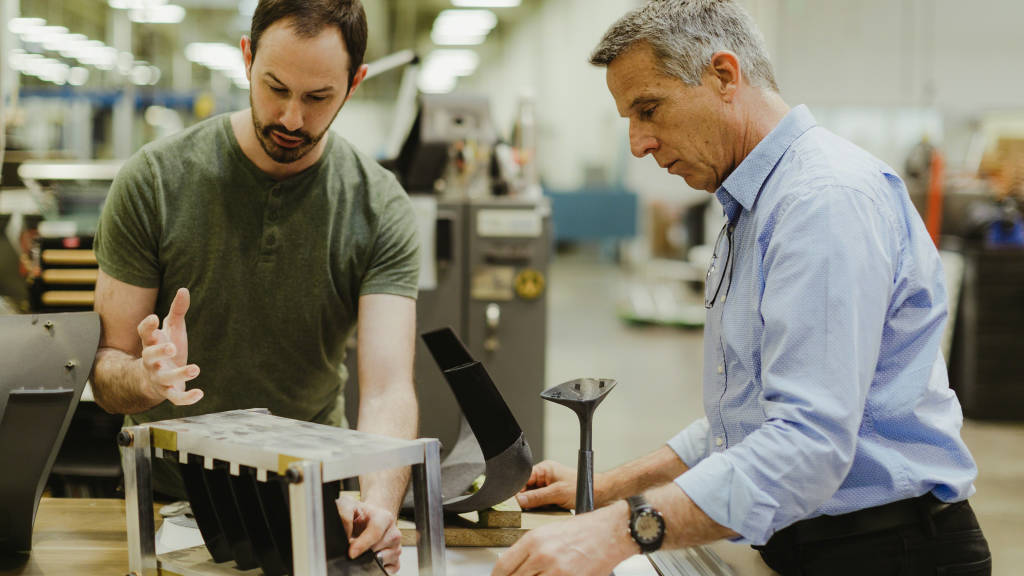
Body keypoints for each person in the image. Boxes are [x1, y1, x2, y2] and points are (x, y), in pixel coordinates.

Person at [493, 2, 990, 576]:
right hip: (824, 547)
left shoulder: (821, 201)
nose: (638, 144)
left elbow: (807, 447)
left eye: (648, 110)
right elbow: (751, 416)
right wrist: (610, 487)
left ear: (724, 76)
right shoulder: (755, 206)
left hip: (892, 554)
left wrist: (620, 530)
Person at [91, 1, 417, 571]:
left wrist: (377, 505)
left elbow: (388, 389)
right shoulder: (154, 182)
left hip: (314, 497)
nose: (291, 118)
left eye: (318, 98)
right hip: (169, 503)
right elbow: (105, 367)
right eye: (275, 87)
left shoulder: (379, 204)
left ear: (354, 83)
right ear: (247, 58)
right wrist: (146, 377)